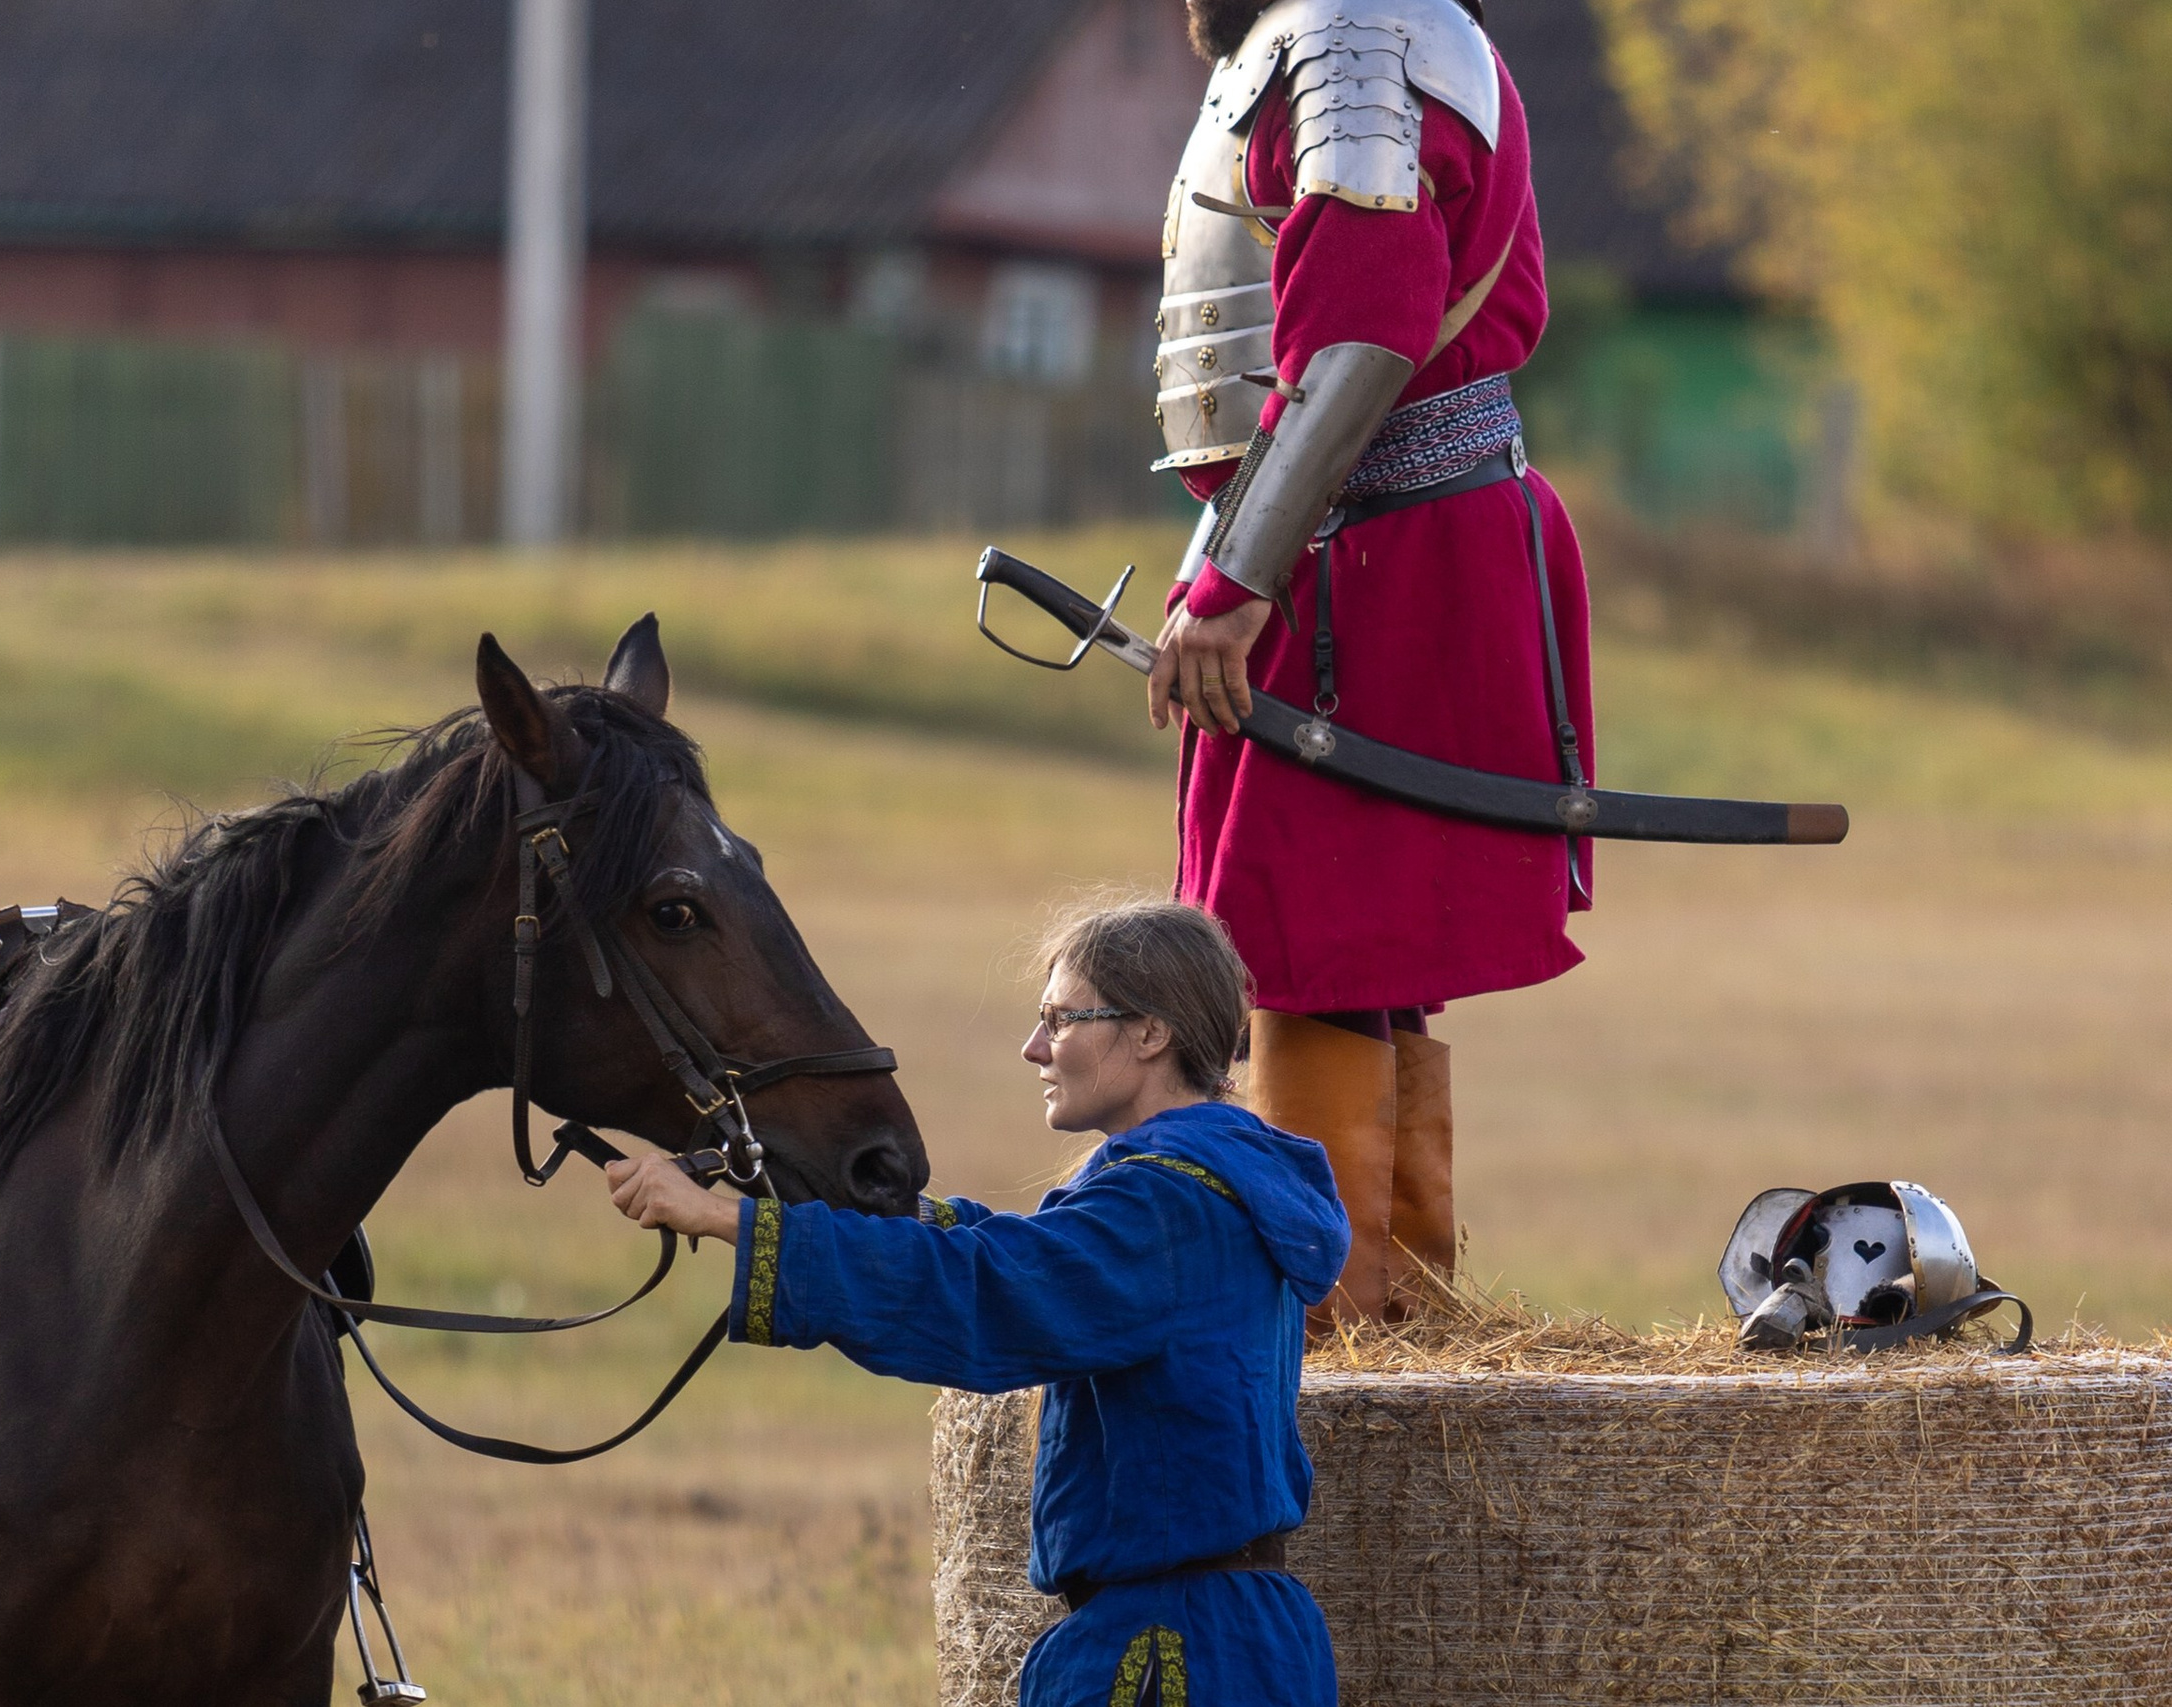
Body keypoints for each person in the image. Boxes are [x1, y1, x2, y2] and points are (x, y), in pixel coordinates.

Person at [1143, 0, 1596, 1325]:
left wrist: (1238, 583)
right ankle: (1390, 1312)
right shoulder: (1356, 30)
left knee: (1312, 938)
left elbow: (1361, 344)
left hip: (1375, 557)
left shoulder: (1353, 45)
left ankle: (1336, 1328)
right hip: (1358, 545)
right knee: (1346, 947)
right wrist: (1217, 566)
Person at [607, 900, 1348, 1707]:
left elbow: (994, 1287)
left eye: (1061, 1020)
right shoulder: (1207, 1182)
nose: (1034, 1048)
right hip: (1216, 1643)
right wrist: (856, 1203)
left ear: (1149, 1033)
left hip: (1180, 1659)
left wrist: (727, 1220)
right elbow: (1031, 1253)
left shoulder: (1167, 1208)